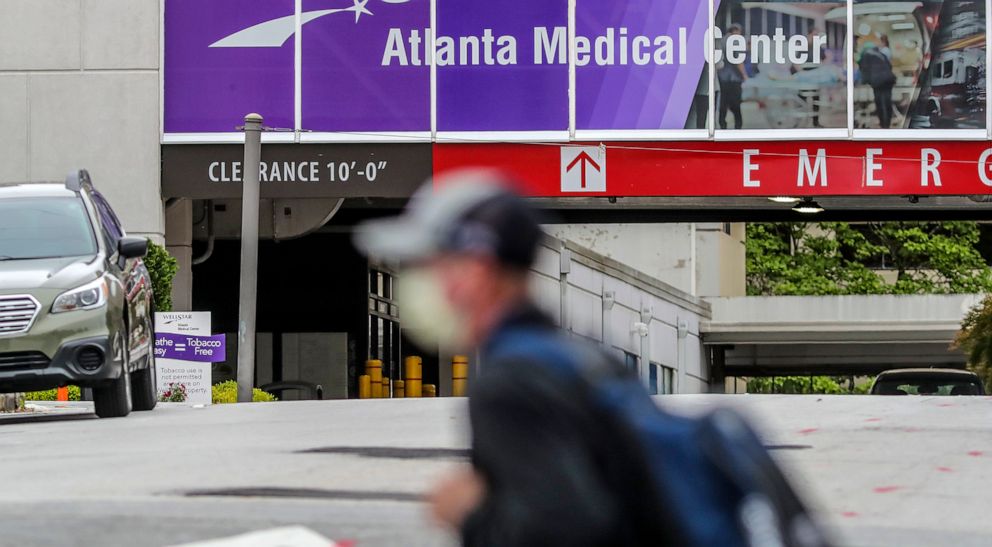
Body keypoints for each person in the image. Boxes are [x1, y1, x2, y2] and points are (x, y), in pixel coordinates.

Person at [355, 171, 673, 546]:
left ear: (475, 270)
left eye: (428, 265)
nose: (417, 281)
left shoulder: (510, 384)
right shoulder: (588, 359)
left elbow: (565, 531)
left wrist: (468, 514)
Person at [858, 41, 896, 128]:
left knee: (879, 102)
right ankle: (887, 123)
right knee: (887, 101)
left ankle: (883, 124)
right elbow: (889, 66)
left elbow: (864, 70)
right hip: (888, 80)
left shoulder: (865, 55)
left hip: (877, 81)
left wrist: (864, 82)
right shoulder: (881, 54)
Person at [717, 24, 747, 130]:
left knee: (723, 103)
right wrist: (744, 75)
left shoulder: (722, 41)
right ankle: (738, 125)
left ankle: (722, 124)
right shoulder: (736, 41)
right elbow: (738, 61)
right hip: (734, 78)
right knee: (736, 104)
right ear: (736, 31)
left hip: (722, 77)